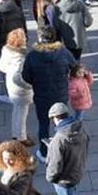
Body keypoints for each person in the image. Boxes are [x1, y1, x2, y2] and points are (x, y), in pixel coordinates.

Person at [21, 25, 75, 156]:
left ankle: (44, 152)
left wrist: (36, 82)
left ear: (40, 37)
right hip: (60, 94)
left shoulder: (33, 56)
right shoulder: (63, 52)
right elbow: (74, 67)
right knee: (62, 123)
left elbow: (25, 76)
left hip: (42, 96)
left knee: (43, 124)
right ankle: (62, 149)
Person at [46, 102, 89, 195]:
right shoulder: (80, 129)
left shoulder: (59, 140)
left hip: (64, 178)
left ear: (55, 118)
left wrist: (50, 177)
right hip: (76, 171)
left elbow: (55, 165)